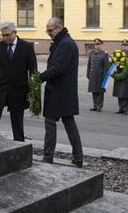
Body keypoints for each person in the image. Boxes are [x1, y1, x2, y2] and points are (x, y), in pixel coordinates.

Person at [39, 17, 84, 167]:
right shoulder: (64, 42)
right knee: (69, 122)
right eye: (47, 30)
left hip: (59, 91)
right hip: (64, 91)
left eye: (50, 30)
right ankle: (78, 157)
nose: (48, 33)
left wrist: (40, 77)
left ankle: (48, 157)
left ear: (59, 27)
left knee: (50, 122)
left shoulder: (65, 43)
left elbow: (59, 68)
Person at [0, 21, 37, 141]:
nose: (5, 38)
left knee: (17, 119)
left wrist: (31, 91)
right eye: (2, 35)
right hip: (1, 88)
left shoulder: (26, 47)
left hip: (19, 89)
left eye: (7, 35)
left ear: (15, 32)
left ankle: (19, 143)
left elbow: (33, 71)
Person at [112, 39, 128, 115]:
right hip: (119, 75)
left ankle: (126, 108)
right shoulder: (118, 54)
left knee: (125, 93)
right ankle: (120, 108)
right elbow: (113, 63)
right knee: (119, 92)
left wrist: (124, 64)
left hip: (126, 76)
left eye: (125, 46)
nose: (124, 47)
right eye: (123, 45)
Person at [87, 38, 109, 112]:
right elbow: (89, 65)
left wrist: (105, 76)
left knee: (100, 91)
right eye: (96, 44)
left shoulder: (104, 54)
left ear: (101, 45)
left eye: (98, 44)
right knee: (94, 90)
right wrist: (88, 74)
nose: (97, 45)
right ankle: (95, 105)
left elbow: (106, 66)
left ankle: (99, 106)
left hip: (100, 75)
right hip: (93, 74)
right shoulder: (91, 53)